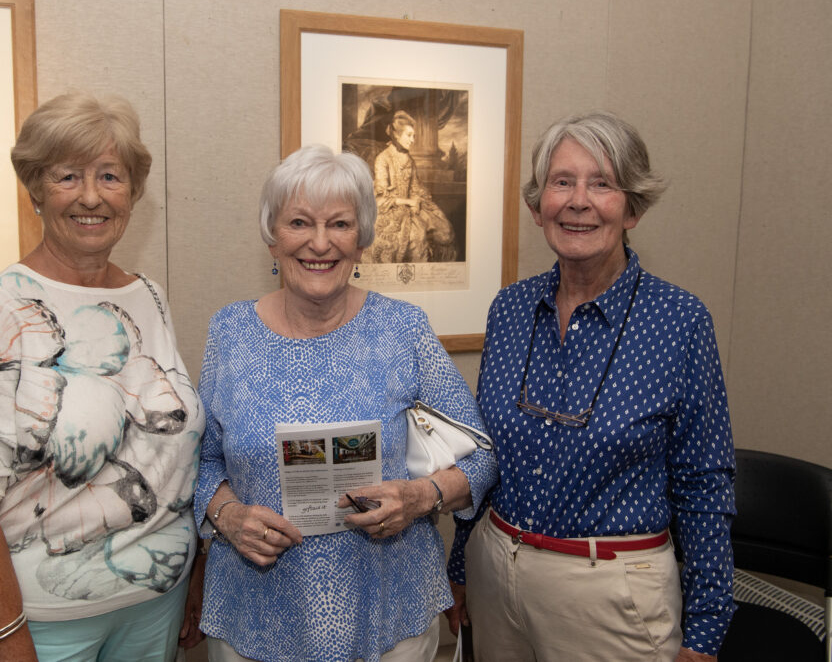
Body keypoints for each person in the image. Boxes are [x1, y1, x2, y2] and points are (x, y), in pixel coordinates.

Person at [0, 92, 205, 661]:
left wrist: (194, 574)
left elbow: (173, 453)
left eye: (109, 176)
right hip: (45, 622)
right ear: (35, 189)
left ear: (133, 192)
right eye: (67, 176)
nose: (91, 196)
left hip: (156, 606)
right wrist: (7, 645)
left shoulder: (146, 295)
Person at [447, 112, 735, 661]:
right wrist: (461, 564)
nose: (579, 200)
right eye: (562, 181)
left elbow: (705, 483)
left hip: (610, 594)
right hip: (496, 571)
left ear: (633, 208)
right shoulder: (510, 309)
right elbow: (482, 456)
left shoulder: (679, 320)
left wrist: (703, 633)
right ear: (539, 206)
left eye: (602, 183)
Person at [193, 144, 497, 662]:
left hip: (389, 608)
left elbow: (483, 456)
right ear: (272, 237)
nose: (319, 243)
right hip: (256, 613)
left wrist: (420, 498)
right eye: (299, 223)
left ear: (362, 240)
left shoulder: (403, 329)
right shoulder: (230, 331)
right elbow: (201, 461)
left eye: (339, 224)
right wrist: (227, 515)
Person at [361, 111, 456, 263]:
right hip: (390, 208)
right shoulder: (382, 159)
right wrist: (408, 202)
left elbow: (415, 187)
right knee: (414, 236)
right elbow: (382, 197)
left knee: (445, 230)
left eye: (414, 136)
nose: (412, 140)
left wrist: (416, 199)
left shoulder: (409, 159)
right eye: (409, 135)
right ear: (397, 135)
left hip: (413, 205)